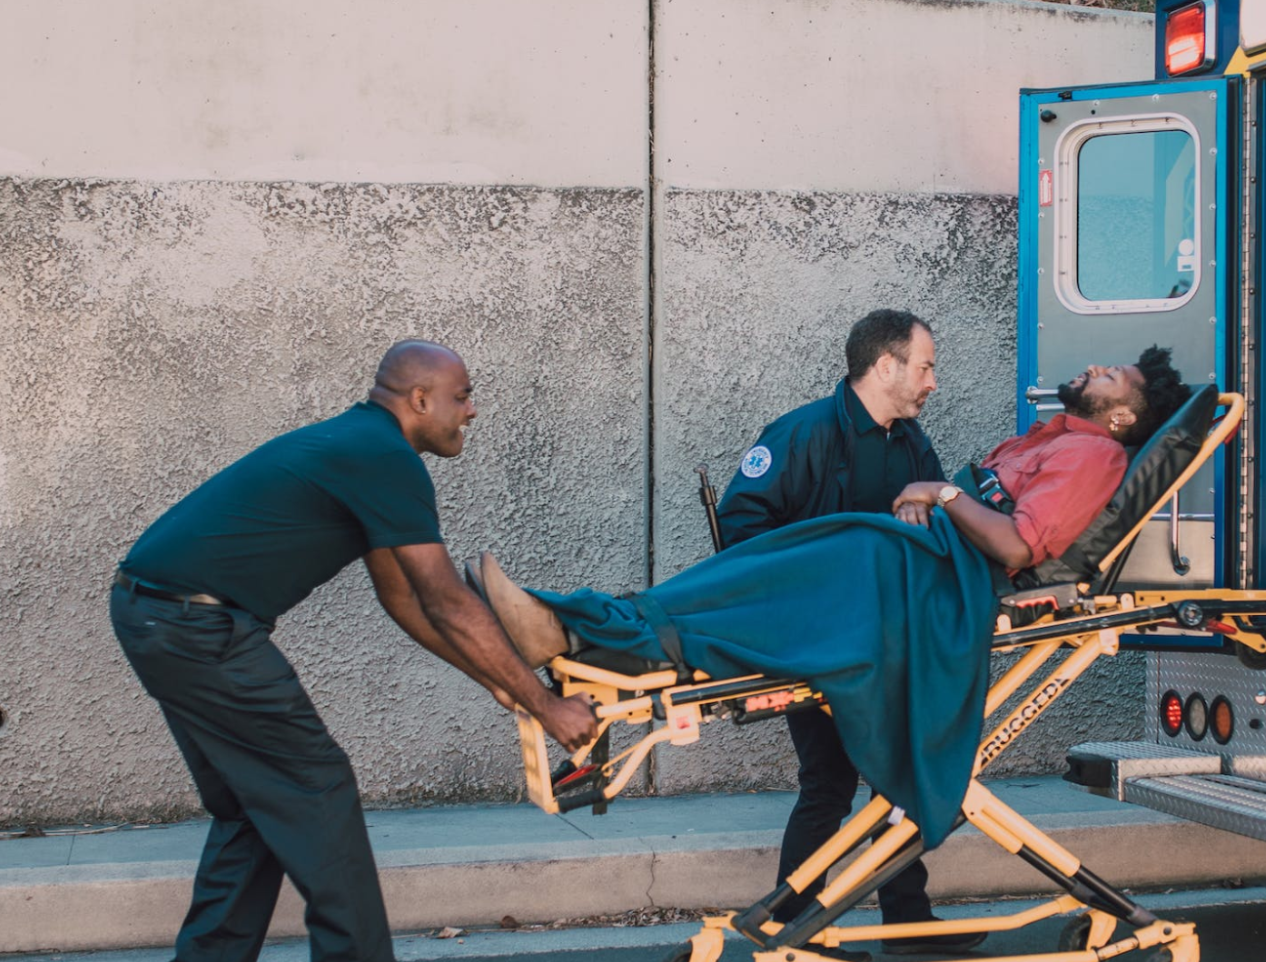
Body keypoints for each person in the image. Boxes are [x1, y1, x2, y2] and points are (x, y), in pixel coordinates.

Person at [472, 346, 1191, 866]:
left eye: (1111, 375)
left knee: (778, 603)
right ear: (886, 367)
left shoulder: (1091, 456)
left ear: (1123, 413)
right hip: (897, 561)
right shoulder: (822, 432)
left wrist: (939, 494)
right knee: (759, 574)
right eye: (924, 366)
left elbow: (1013, 546)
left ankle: (576, 627)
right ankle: (575, 624)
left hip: (931, 582)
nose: (1094, 366)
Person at [110, 341, 598, 962]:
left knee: (255, 806)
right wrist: (547, 706)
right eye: (462, 394)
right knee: (317, 791)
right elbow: (447, 598)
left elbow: (401, 598)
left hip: (160, 616)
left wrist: (498, 684)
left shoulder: (363, 448)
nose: (472, 408)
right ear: (418, 399)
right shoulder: (384, 456)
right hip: (199, 627)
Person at [716, 309, 964, 955]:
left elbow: (944, 526)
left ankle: (906, 921)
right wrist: (808, 587)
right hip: (817, 644)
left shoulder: (911, 443)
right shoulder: (801, 434)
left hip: (887, 642)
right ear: (885, 366)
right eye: (925, 365)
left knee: (896, 779)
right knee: (828, 781)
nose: (932, 381)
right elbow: (739, 522)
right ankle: (789, 924)